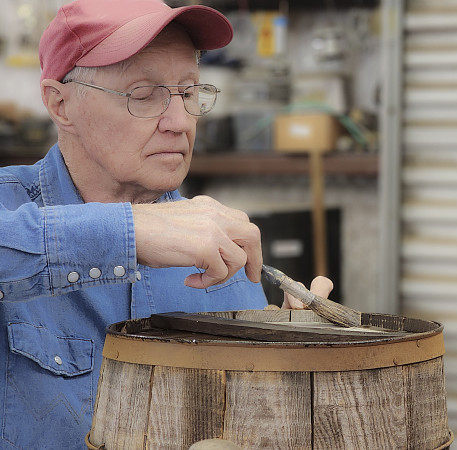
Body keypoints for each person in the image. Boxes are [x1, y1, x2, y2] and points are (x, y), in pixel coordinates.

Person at [0, 0, 331, 446]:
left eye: (189, 92)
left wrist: (294, 370)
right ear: (61, 104)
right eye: (143, 94)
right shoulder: (10, 206)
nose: (179, 123)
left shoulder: (222, 254)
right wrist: (129, 232)